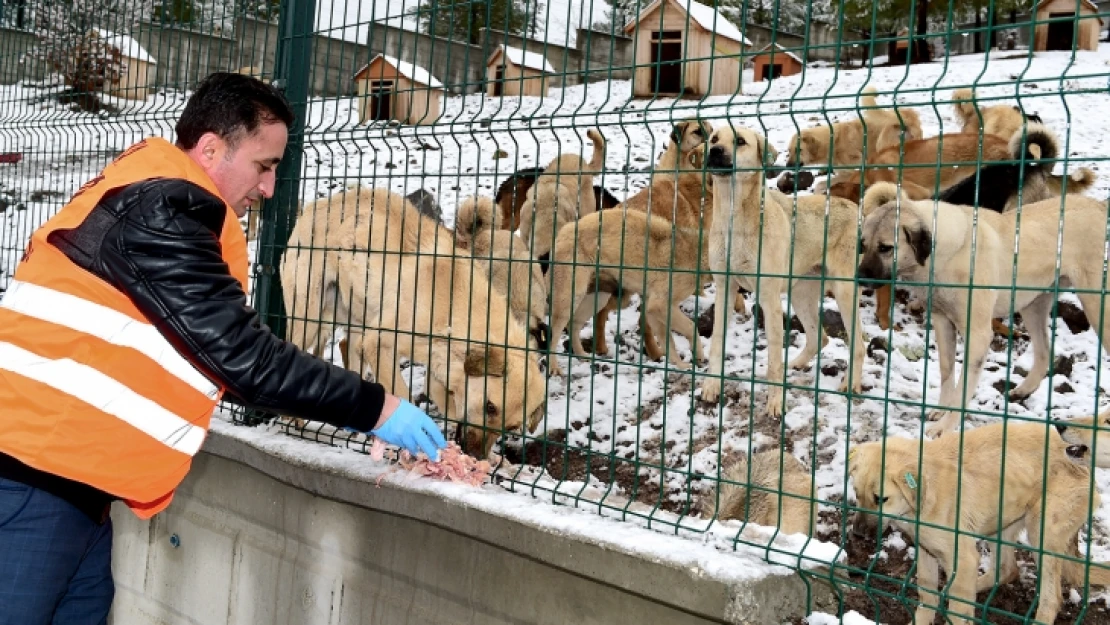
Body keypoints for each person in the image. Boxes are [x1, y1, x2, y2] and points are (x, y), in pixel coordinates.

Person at [0, 71, 447, 624]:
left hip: (70, 493)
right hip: (28, 488)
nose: (269, 188)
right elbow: (244, 358)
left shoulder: (158, 198)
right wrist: (378, 408)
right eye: (264, 166)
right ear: (211, 148)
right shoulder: (162, 210)